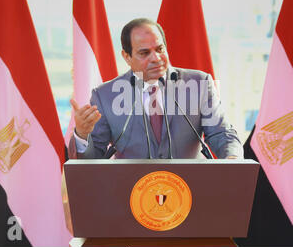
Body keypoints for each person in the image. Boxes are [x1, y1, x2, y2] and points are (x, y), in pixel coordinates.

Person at [68, 18, 243, 159]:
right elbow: (93, 158)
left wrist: (232, 158)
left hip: (189, 191)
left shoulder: (199, 83)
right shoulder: (105, 96)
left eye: (160, 49)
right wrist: (82, 135)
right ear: (127, 57)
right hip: (130, 194)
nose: (156, 58)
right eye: (144, 53)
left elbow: (221, 134)